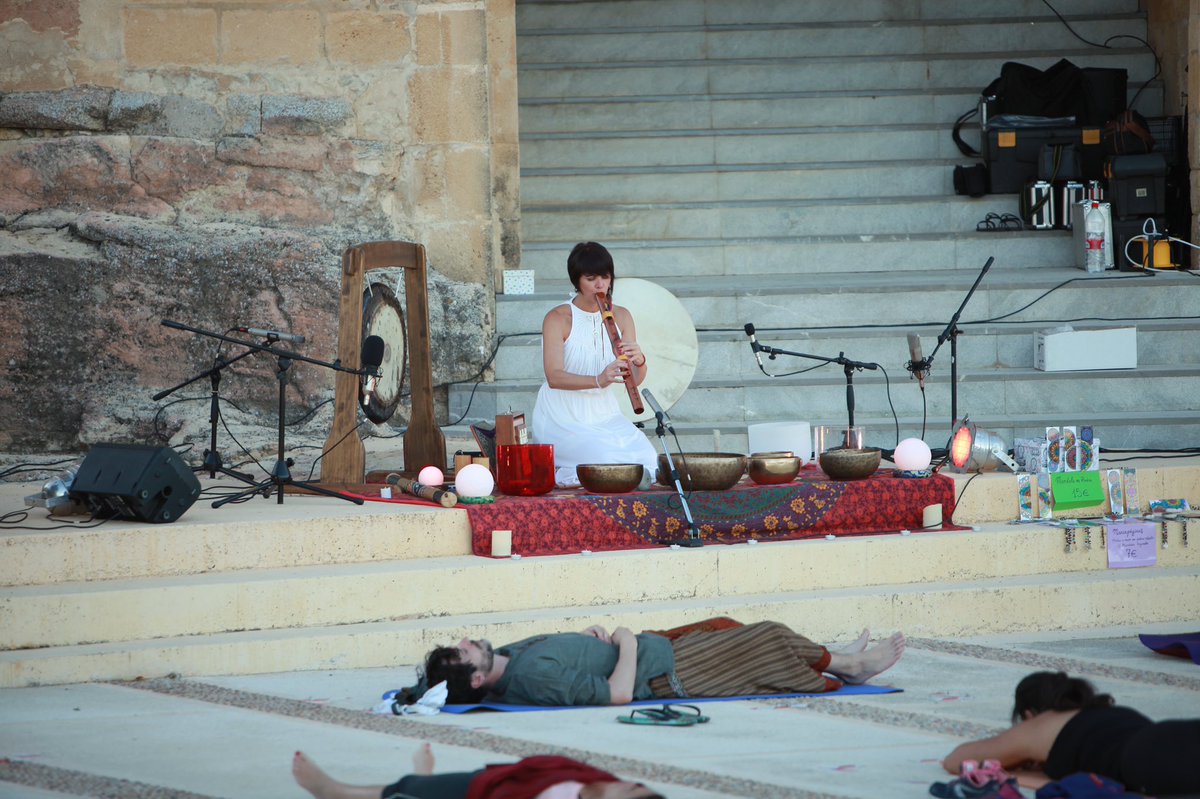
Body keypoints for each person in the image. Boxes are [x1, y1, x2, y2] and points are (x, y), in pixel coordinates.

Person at [420, 617, 905, 707]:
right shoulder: (530, 678)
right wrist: (625, 644)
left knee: (725, 624)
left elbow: (575, 655)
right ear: (477, 677)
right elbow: (617, 694)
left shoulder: (509, 657)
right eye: (464, 652)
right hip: (665, 672)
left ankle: (840, 661)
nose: (468, 640)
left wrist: (591, 638)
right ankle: (849, 668)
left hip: (656, 648)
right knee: (769, 639)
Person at [941, 671, 1200, 795]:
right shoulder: (1106, 713)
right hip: (1168, 738)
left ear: (1029, 714)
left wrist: (1013, 765)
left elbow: (957, 760)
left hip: (1149, 760)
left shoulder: (1042, 724)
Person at [531, 241, 659, 488]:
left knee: (646, 458)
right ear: (576, 281)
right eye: (591, 278)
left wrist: (640, 360)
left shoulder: (621, 315)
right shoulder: (558, 318)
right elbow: (554, 377)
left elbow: (633, 378)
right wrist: (599, 380)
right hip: (562, 416)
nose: (600, 285)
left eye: (605, 277)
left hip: (605, 414)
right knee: (607, 460)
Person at [292, 743, 664, 799]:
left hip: (481, 795)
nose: (631, 782)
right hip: (498, 779)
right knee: (421, 782)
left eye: (632, 792)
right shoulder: (602, 782)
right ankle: (426, 775)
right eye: (640, 783)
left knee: (404, 791)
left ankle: (332, 790)